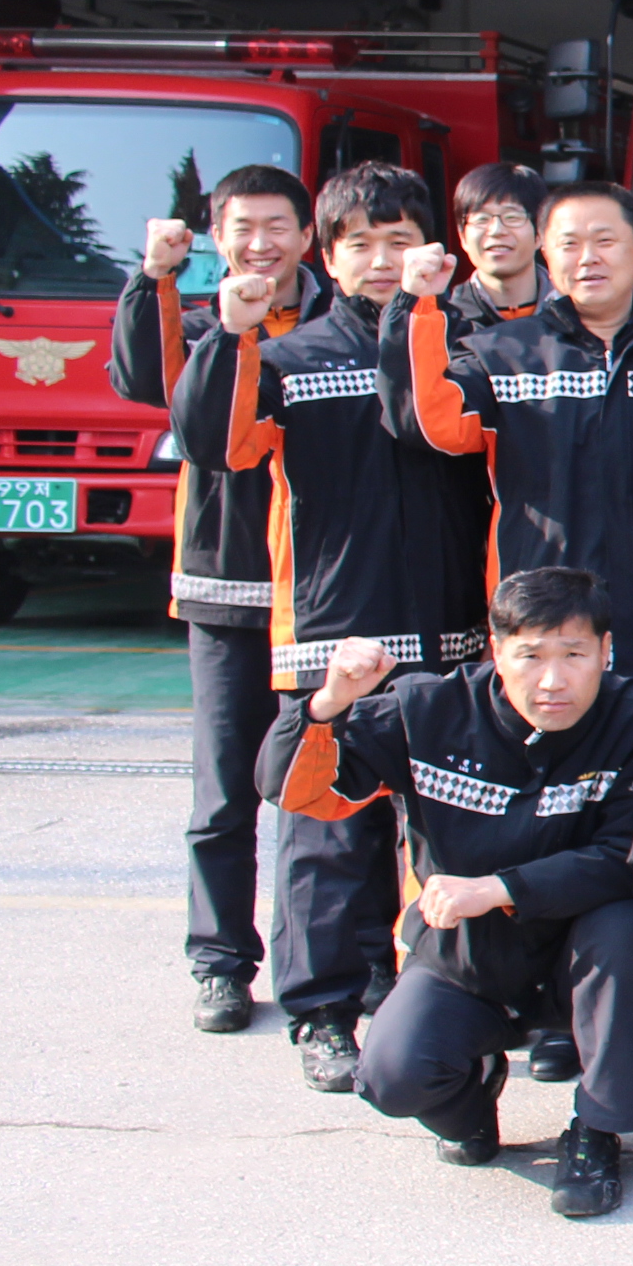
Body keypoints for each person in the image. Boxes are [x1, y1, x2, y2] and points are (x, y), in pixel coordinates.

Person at [172, 161, 485, 1094]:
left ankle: (437, 998)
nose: (382, 261)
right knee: (326, 832)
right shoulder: (290, 356)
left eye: (401, 241)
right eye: (361, 245)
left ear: (434, 251)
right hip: (332, 633)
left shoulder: (464, 349)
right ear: (328, 255)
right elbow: (215, 445)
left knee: (445, 833)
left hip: (451, 633)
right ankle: (321, 1013)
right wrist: (230, 335)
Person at [260, 567, 633, 1219]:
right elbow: (293, 791)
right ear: (494, 650)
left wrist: (498, 888)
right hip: (464, 957)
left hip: (580, 957)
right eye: (530, 656)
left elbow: (630, 859)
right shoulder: (426, 710)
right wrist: (329, 703)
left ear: (606, 650)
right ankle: (470, 1096)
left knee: (623, 927)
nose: (553, 680)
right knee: (392, 1078)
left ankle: (597, 1132)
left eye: (574, 655)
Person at [382, 181, 633, 740]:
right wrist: (417, 307)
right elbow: (426, 423)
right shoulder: (503, 353)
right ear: (545, 253)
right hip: (546, 645)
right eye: (569, 244)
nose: (588, 258)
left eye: (605, 240)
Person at [114, 162, 326, 1034]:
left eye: (278, 226)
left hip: (325, 598)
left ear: (308, 236)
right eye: (243, 227)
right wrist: (154, 278)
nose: (261, 244)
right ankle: (220, 963)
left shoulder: (340, 324)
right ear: (216, 236)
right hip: (228, 592)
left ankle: (337, 971)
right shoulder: (201, 325)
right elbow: (141, 380)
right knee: (224, 796)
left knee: (326, 799)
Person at [445, 162, 548, 328]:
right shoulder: (447, 323)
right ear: (462, 236)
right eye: (482, 219)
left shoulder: (577, 315)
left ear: (540, 233)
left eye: (512, 218)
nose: (496, 231)